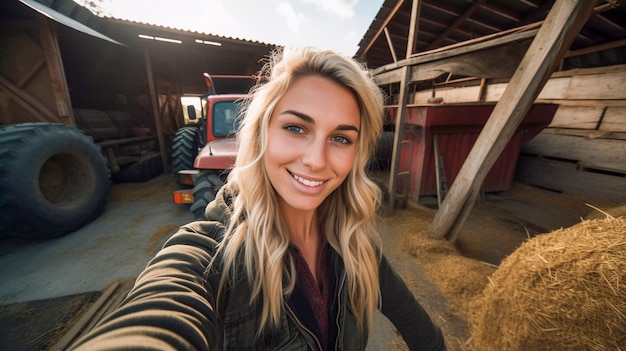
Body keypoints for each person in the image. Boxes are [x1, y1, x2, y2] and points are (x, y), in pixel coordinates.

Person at [70, 47, 446, 351]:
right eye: (296, 128)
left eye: (341, 138)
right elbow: (162, 307)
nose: (316, 160)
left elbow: (422, 329)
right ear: (262, 133)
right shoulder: (211, 253)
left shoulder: (356, 247)